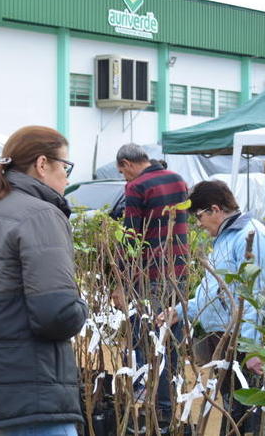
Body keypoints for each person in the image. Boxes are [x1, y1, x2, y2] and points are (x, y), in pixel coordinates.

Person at [0, 126, 87, 434]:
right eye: (65, 166)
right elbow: (56, 314)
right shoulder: (41, 216)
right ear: (41, 164)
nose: (66, 176)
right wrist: (82, 306)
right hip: (29, 401)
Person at [160, 180, 265, 435]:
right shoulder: (226, 238)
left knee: (244, 414)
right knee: (232, 409)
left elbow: (257, 296)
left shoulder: (252, 237)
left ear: (215, 209)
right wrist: (179, 312)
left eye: (199, 216)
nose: (199, 224)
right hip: (223, 337)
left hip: (240, 341)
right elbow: (211, 292)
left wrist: (251, 348)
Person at [114, 143, 189, 430]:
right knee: (172, 336)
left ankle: (157, 405)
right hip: (179, 270)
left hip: (151, 275)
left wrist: (121, 282)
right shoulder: (176, 179)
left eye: (122, 171)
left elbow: (131, 236)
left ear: (127, 163)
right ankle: (172, 404)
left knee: (148, 338)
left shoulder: (136, 186)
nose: (124, 177)